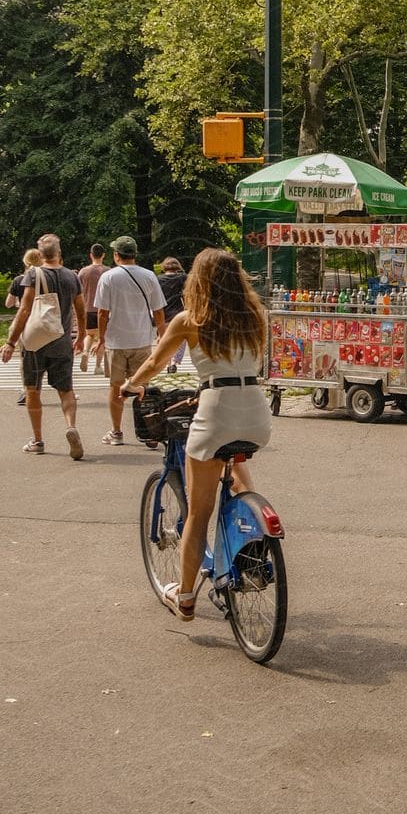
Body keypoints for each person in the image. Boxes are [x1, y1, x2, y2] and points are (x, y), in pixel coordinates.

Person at [124, 247, 272, 620]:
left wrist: (130, 384)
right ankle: (251, 550)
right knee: (240, 478)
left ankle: (186, 597)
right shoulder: (257, 315)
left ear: (198, 281)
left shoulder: (190, 320)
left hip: (216, 409)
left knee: (199, 510)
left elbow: (156, 362)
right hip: (255, 410)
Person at [0, 233, 86, 458]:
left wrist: (10, 341)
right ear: (59, 253)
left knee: (32, 390)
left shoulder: (32, 274)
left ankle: (38, 440)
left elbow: (25, 309)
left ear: (40, 255)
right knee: (66, 390)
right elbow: (80, 309)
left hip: (35, 344)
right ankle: (70, 426)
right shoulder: (71, 277)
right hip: (62, 341)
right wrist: (82, 335)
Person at [94, 235, 166, 446]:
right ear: (135, 254)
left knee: (116, 387)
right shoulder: (149, 276)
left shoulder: (108, 278)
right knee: (143, 386)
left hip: (116, 341)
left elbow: (102, 313)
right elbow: (158, 311)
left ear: (116, 255)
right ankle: (150, 432)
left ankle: (117, 433)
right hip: (142, 339)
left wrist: (101, 338)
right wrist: (161, 334)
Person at [6, 249, 41, 405]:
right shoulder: (45, 278)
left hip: (24, 322)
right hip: (41, 321)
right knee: (40, 358)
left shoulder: (18, 280)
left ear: (25, 262)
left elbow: (8, 303)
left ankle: (26, 390)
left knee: (24, 358)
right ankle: (37, 390)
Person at [77, 243, 108, 375]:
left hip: (88, 308)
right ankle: (98, 366)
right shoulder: (108, 271)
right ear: (104, 255)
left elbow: (78, 292)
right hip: (105, 309)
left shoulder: (83, 272)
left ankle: (85, 352)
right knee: (103, 337)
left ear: (91, 255)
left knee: (89, 334)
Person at [157, 256, 188, 368]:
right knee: (181, 338)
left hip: (163, 313)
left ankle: (167, 361)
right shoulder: (182, 278)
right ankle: (175, 361)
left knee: (164, 338)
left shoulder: (158, 279)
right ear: (177, 266)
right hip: (178, 312)